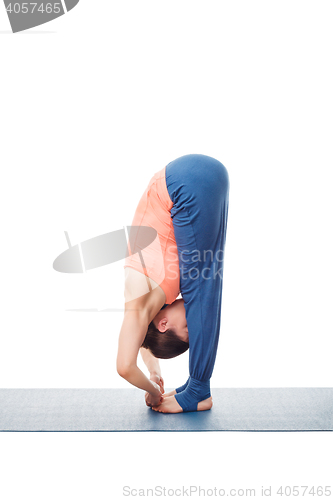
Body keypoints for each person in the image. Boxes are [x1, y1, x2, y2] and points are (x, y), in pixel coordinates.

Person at [117, 153, 230, 413]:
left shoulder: (141, 297)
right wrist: (154, 374)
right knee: (204, 280)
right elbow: (143, 341)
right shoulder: (152, 303)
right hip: (195, 178)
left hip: (183, 184)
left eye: (188, 325)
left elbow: (124, 365)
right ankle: (197, 385)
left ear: (165, 323)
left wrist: (153, 392)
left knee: (202, 291)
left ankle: (199, 390)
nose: (192, 318)